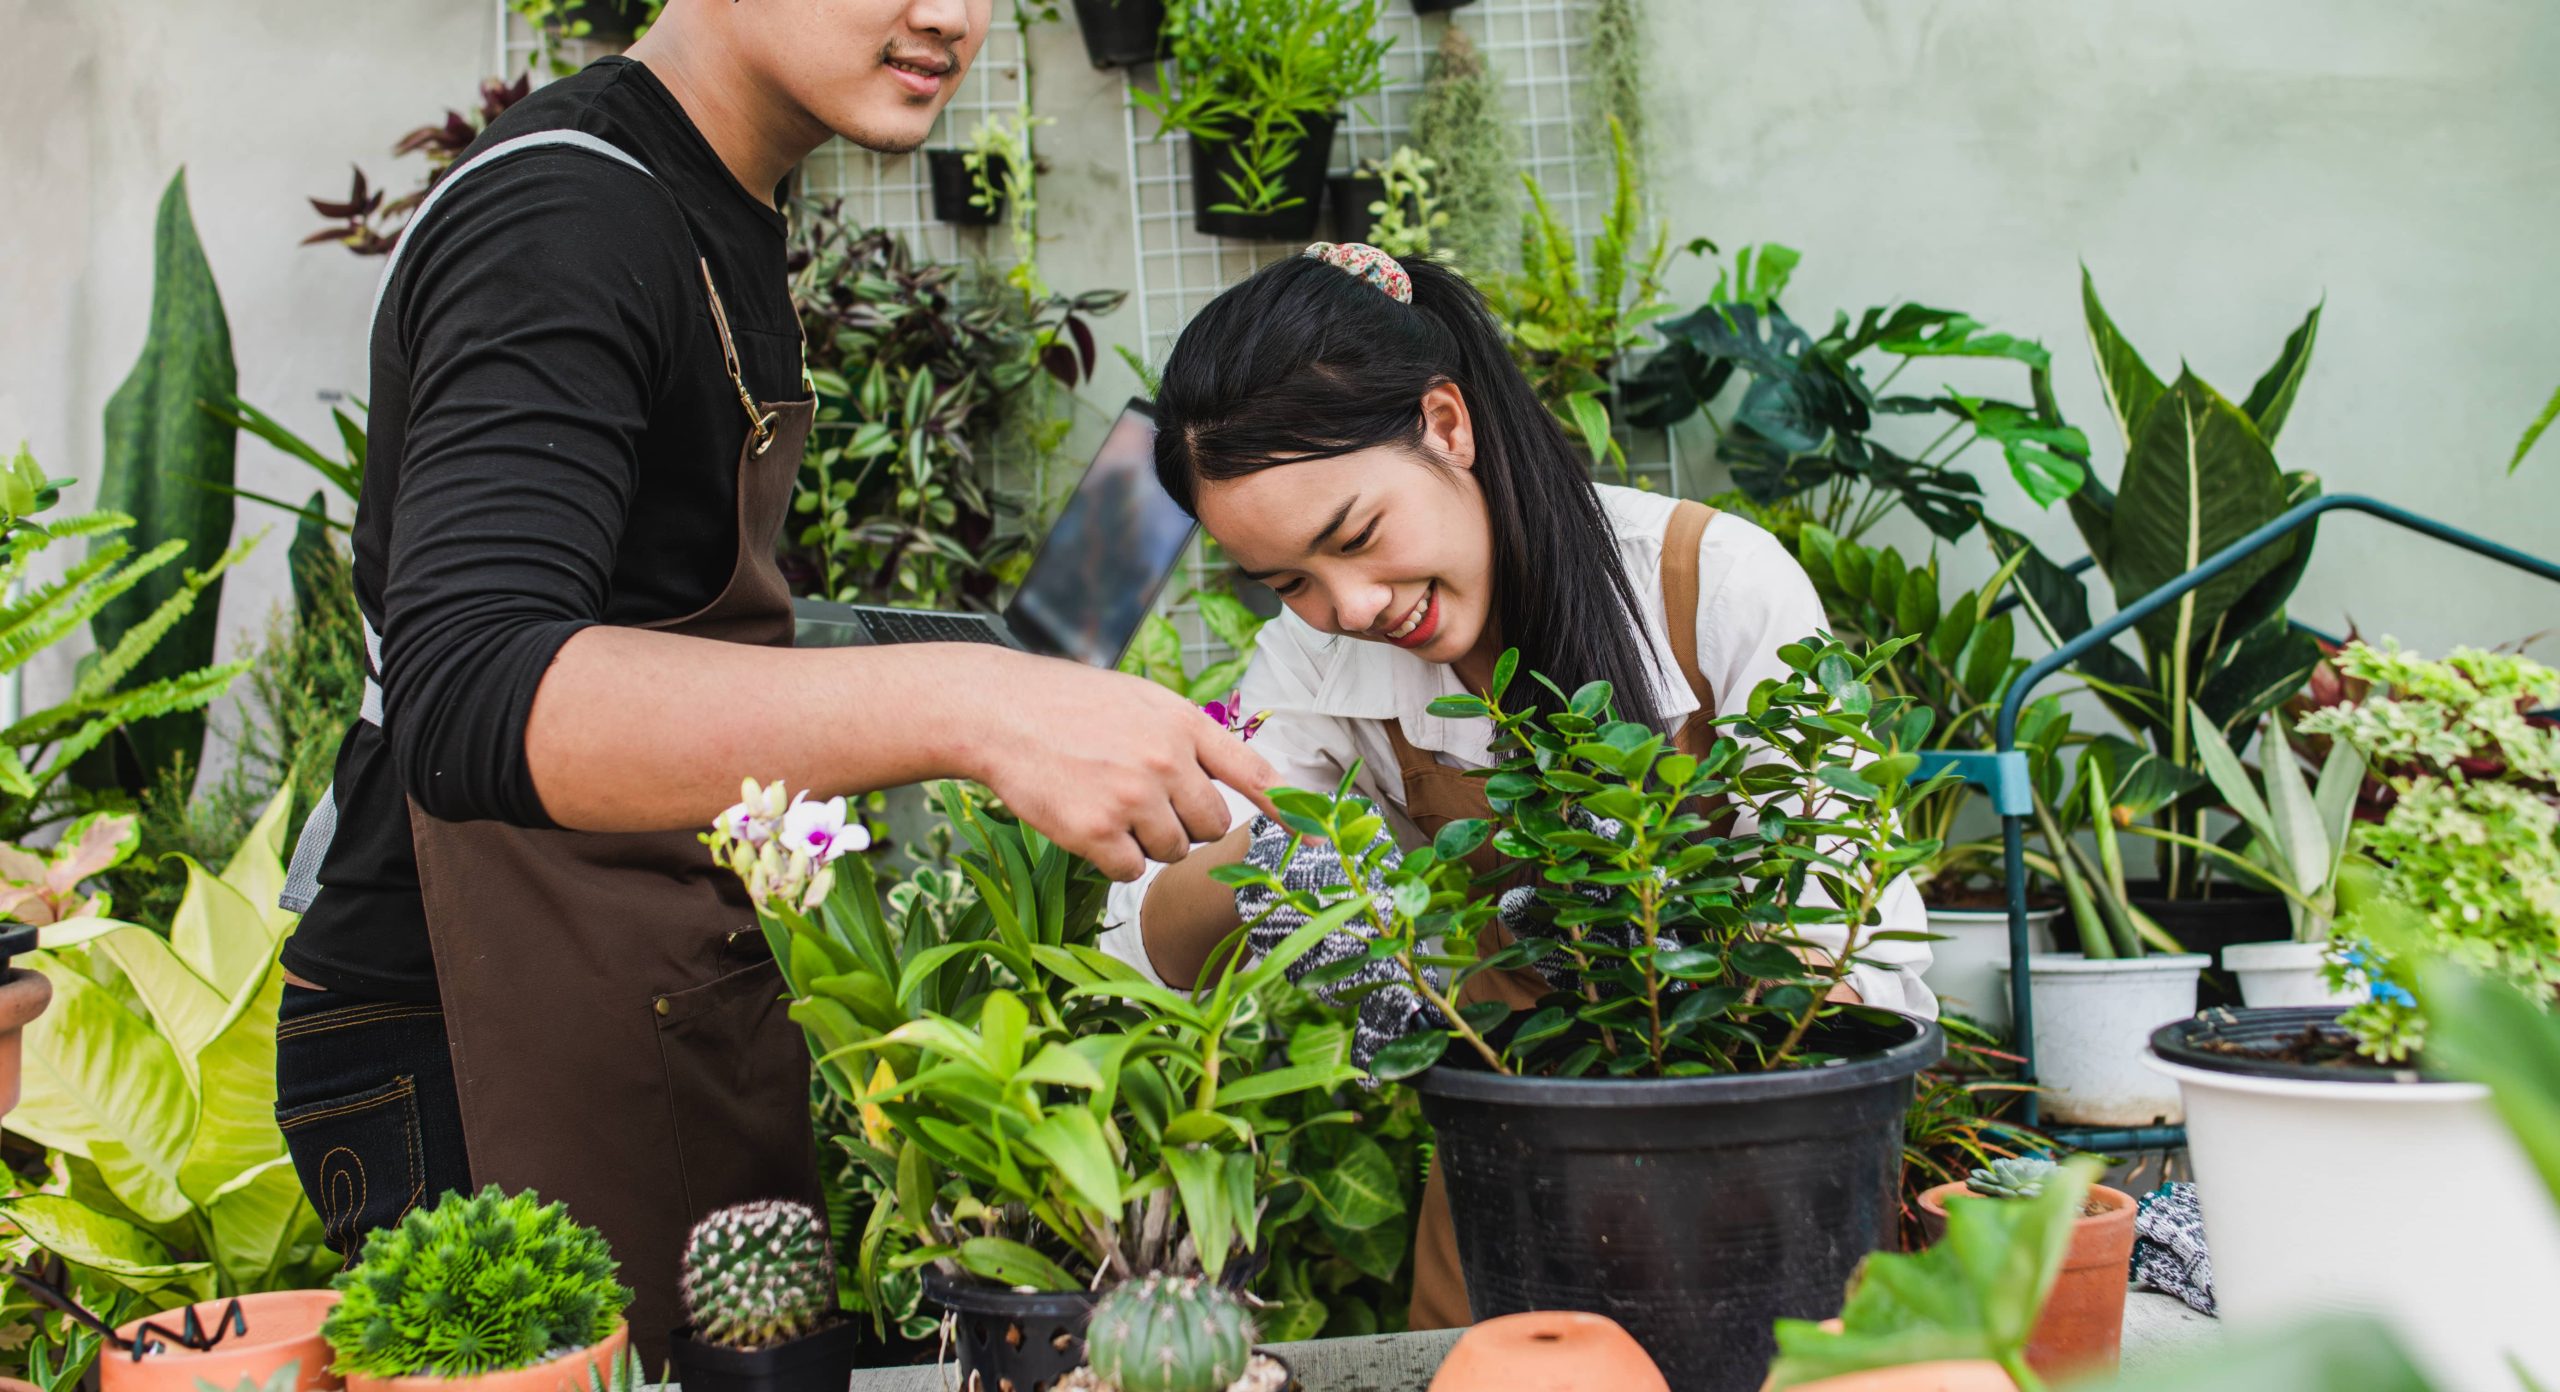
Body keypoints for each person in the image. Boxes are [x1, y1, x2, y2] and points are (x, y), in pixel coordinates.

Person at [271, 0, 1273, 1357]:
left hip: (645, 982)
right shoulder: (565, 223)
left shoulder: (716, 199)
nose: (952, 16)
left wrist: (1232, 408)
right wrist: (977, 709)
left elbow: (711, 640)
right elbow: (475, 685)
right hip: (480, 1028)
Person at [1095, 242, 1936, 1329]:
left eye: (1355, 536)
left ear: (1448, 425)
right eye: (1288, 581)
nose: (1348, 606)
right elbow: (1144, 946)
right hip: (1510, 1217)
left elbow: (1870, 949)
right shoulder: (1316, 670)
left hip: (1768, 1182)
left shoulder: (1706, 585)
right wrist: (1264, 865)